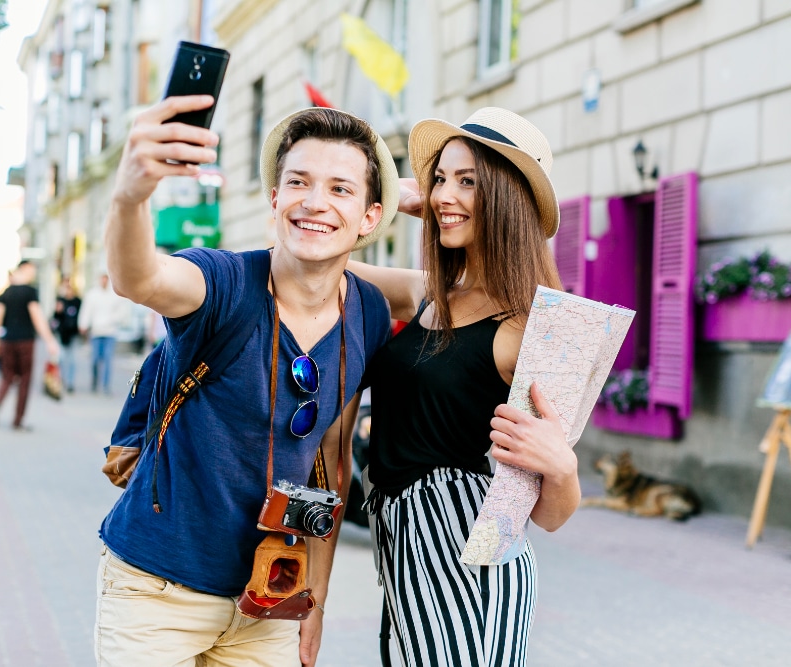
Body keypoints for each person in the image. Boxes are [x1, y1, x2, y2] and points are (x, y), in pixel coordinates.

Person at [94, 97, 399, 667]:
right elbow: (140, 277)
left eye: (340, 189)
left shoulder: (368, 314)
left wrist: (318, 599)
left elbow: (331, 463)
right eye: (299, 182)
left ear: (370, 217)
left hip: (269, 599)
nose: (315, 202)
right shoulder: (224, 283)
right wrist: (131, 193)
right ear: (275, 198)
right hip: (157, 592)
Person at [348, 107, 581, 666]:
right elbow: (314, 262)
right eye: (440, 179)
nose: (445, 194)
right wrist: (388, 207)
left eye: (468, 181)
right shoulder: (430, 294)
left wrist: (563, 466)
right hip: (402, 543)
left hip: (469, 551)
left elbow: (550, 514)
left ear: (506, 197)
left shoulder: (530, 328)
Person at [0, 260, 60, 431]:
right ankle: (18, 420)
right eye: (32, 270)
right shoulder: (29, 292)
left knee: (7, 377)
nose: (33, 274)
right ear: (24, 269)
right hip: (26, 341)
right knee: (25, 380)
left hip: (8, 340)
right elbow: (37, 317)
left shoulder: (6, 293)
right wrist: (49, 340)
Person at [78, 273, 128, 394]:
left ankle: (106, 385)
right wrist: (83, 324)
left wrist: (113, 320)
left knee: (107, 359)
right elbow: (86, 310)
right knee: (95, 359)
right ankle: (95, 381)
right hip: (96, 332)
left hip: (110, 332)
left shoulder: (114, 295)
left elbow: (122, 311)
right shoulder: (93, 295)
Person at [52, 277, 82, 393]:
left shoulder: (77, 301)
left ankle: (70, 382)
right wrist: (57, 311)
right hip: (62, 334)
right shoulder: (60, 301)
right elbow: (55, 318)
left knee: (72, 359)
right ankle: (61, 379)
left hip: (73, 333)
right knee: (62, 358)